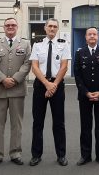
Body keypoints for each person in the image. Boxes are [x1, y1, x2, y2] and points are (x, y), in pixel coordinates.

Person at [0, 17, 32, 167]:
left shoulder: (25, 44)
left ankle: (15, 153)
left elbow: (27, 64)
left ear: (17, 27)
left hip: (17, 89)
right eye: (8, 25)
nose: (10, 27)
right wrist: (3, 80)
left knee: (16, 124)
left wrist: (15, 79)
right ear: (4, 27)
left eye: (13, 25)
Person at [29, 18, 70, 167]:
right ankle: (36, 155)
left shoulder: (63, 44)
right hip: (41, 85)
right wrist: (47, 84)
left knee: (59, 123)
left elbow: (64, 67)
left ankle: (61, 155)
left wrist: (53, 85)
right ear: (45, 28)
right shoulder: (37, 45)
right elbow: (34, 66)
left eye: (55, 27)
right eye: (50, 26)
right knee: (37, 122)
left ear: (57, 29)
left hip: (57, 85)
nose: (52, 29)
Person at [74, 27, 99, 166]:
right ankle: (85, 156)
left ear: (98, 36)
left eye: (94, 34)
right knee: (85, 127)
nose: (92, 36)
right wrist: (86, 92)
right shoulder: (79, 53)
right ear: (85, 37)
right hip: (84, 96)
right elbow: (77, 76)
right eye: (89, 34)